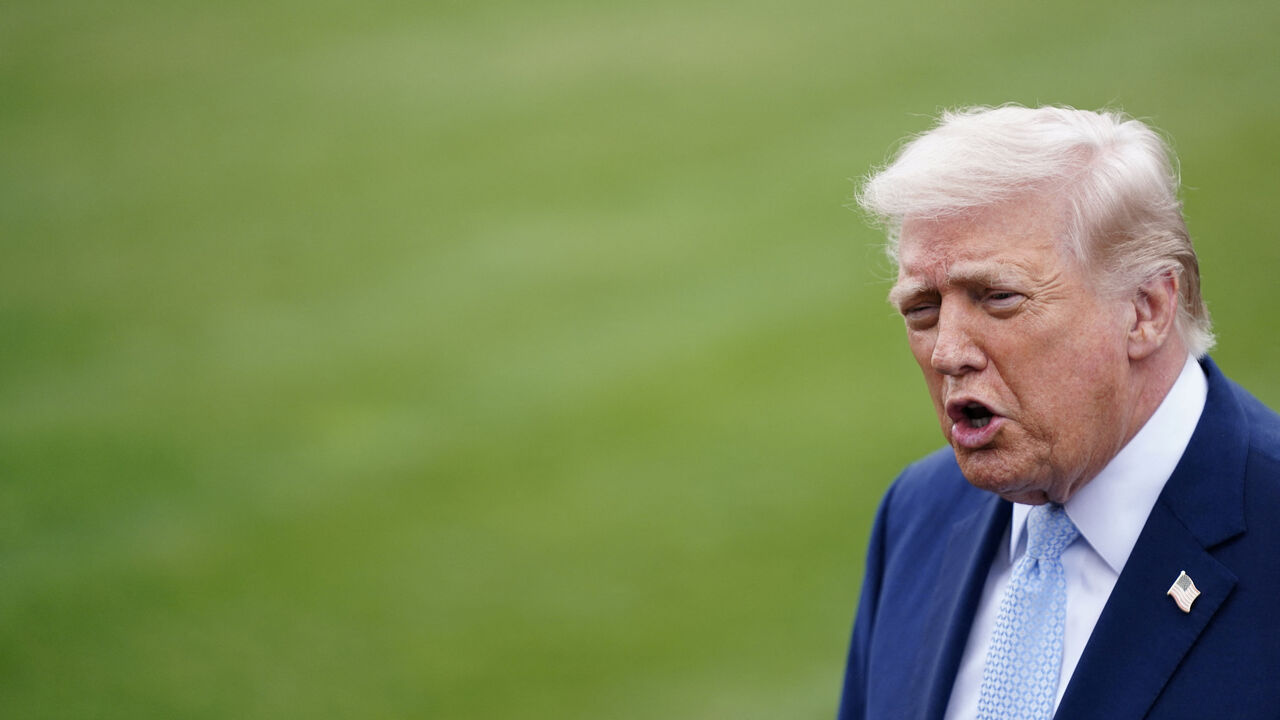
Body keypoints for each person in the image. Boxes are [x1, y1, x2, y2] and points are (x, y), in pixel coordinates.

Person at [837, 105, 1280, 720]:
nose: (947, 353)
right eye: (922, 309)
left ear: (1145, 309)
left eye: (999, 297)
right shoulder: (917, 515)